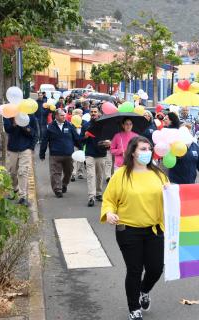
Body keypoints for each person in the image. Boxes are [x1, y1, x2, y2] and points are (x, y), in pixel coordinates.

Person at [100, 136, 168, 320]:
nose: (147, 152)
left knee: (155, 268)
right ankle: (134, 308)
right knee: (134, 269)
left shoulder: (158, 174)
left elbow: (170, 198)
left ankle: (144, 290)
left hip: (154, 229)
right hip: (128, 230)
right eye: (143, 149)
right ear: (132, 152)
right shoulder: (121, 175)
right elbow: (109, 199)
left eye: (149, 149)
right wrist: (109, 213)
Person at [39, 109, 79, 198]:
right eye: (62, 115)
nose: (64, 117)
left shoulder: (70, 126)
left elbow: (76, 138)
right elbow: (44, 141)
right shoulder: (50, 127)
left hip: (69, 154)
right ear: (56, 116)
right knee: (55, 173)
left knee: (69, 172)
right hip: (55, 154)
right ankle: (57, 189)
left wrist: (81, 148)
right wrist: (42, 154)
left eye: (64, 115)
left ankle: (64, 184)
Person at [3, 114, 37, 206]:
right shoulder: (8, 114)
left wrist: (31, 148)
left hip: (25, 149)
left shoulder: (30, 115)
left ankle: (23, 196)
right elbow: (7, 129)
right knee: (12, 173)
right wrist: (14, 124)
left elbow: (34, 133)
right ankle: (15, 189)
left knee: (23, 172)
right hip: (12, 148)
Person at [81, 106, 110, 207]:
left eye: (95, 112)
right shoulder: (86, 125)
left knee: (99, 175)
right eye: (92, 112)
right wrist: (85, 136)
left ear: (99, 113)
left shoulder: (104, 124)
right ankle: (91, 197)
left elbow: (108, 138)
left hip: (101, 153)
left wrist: (107, 143)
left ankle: (98, 193)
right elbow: (81, 140)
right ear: (89, 113)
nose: (93, 113)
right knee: (90, 175)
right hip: (89, 154)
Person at [70, 108, 86, 181]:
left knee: (81, 159)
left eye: (82, 113)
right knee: (74, 159)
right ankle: (73, 174)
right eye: (80, 113)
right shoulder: (71, 124)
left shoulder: (84, 123)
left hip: (82, 143)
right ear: (76, 114)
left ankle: (80, 173)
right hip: (74, 144)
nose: (82, 115)